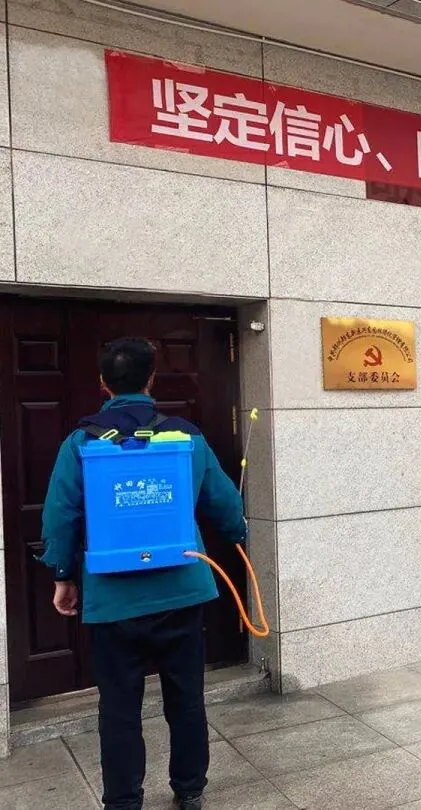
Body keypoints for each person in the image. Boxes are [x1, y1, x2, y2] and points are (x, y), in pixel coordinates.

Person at [39, 338, 247, 810]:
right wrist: (237, 532)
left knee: (119, 707)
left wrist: (63, 576)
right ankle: (189, 790)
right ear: (152, 379)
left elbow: (60, 516)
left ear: (103, 383)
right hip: (182, 591)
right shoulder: (185, 437)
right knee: (186, 699)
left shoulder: (82, 442)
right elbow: (224, 503)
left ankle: (123, 800)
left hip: (113, 599)